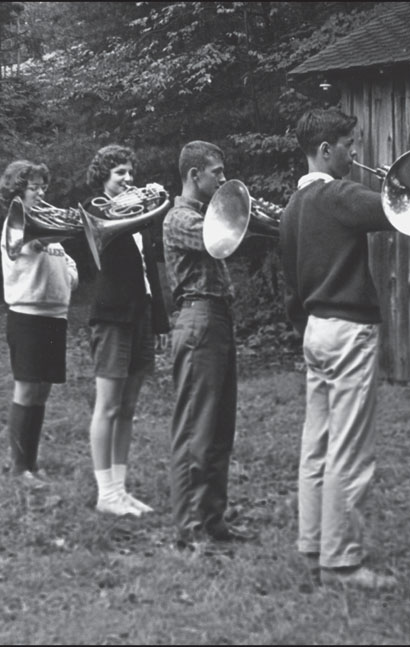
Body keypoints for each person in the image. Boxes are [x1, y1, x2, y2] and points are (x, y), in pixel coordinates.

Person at [279, 107, 398, 591]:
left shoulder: (291, 208)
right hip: (349, 330)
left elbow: (291, 287)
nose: (355, 154)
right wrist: (400, 183)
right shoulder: (339, 193)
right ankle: (343, 563)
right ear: (326, 150)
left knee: (317, 447)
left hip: (315, 331)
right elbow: (402, 211)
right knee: (349, 450)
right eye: (350, 144)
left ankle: (313, 548)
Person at [163, 140, 250, 549]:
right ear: (194, 175)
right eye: (216, 172)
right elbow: (219, 239)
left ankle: (213, 520)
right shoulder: (178, 218)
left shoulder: (205, 214)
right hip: (197, 318)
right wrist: (249, 214)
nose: (222, 178)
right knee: (194, 429)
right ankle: (189, 529)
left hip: (215, 319)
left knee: (218, 429)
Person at [83, 145, 170, 517]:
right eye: (120, 172)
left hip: (140, 314)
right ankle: (106, 492)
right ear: (103, 176)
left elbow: (152, 275)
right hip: (112, 315)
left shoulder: (141, 219)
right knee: (108, 405)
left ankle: (119, 490)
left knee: (128, 406)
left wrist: (161, 321)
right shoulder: (95, 210)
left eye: (130, 172)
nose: (128, 179)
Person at [0, 160, 79, 486]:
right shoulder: (18, 224)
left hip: (54, 316)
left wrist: (69, 275)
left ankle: (30, 462)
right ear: (18, 191)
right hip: (28, 316)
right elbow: (31, 249)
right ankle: (19, 468)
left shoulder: (48, 229)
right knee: (28, 389)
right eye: (34, 186)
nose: (42, 192)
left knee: (42, 392)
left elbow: (68, 263)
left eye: (44, 186)